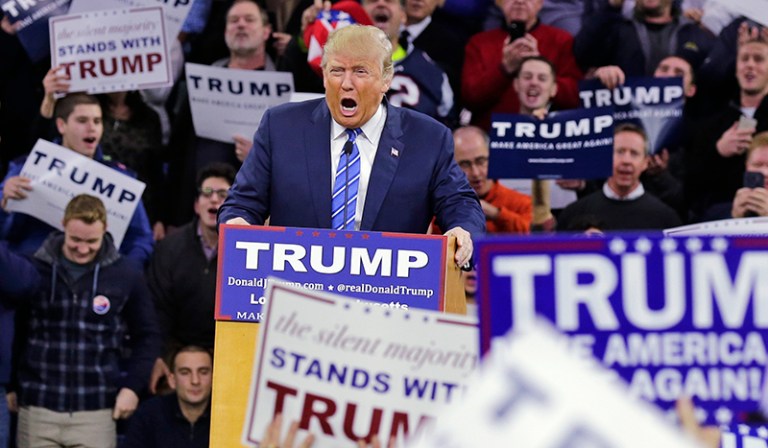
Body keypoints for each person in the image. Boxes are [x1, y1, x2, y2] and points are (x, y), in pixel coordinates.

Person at [219, 24, 484, 267]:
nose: (346, 83)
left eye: (360, 71)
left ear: (386, 79)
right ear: (324, 77)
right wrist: (237, 224)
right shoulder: (280, 127)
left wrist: (462, 230)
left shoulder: (427, 138)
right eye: (336, 71)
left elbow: (459, 202)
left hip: (387, 292)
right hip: (295, 288)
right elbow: (242, 203)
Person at [0, 194, 160, 448]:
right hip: (37, 408)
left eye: (91, 241)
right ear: (63, 224)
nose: (82, 249)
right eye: (75, 239)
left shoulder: (126, 273)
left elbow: (148, 335)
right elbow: (15, 328)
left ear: (106, 229)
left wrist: (132, 387)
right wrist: (10, 385)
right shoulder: (33, 266)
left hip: (96, 412)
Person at [0, 93, 154, 265]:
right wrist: (4, 206)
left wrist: (126, 270)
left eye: (97, 121)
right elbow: (5, 234)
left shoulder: (119, 180)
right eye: (82, 121)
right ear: (61, 125)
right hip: (34, 268)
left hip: (97, 273)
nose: (92, 128)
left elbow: (140, 239)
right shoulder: (26, 169)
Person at [167, 0, 282, 227]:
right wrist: (169, 217)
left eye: (249, 20)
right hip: (198, 215)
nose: (241, 25)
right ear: (225, 31)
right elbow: (179, 150)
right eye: (233, 20)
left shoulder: (284, 83)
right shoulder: (202, 81)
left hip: (256, 217)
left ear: (267, 31)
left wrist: (258, 158)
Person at [147, 163, 236, 393]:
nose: (214, 200)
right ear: (197, 204)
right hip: (177, 352)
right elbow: (158, 310)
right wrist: (163, 356)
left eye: (223, 194)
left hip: (228, 355)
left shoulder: (248, 250)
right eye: (207, 193)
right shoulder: (169, 248)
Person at [462, 0, 583, 130]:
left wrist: (538, 65)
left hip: (547, 131)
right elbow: (470, 99)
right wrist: (504, 70)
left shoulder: (561, 40)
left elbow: (575, 96)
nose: (519, 1)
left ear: (540, 3)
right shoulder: (479, 43)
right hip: (492, 133)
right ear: (498, 2)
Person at [685, 35, 768, 222]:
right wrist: (718, 151)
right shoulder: (712, 125)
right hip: (723, 219)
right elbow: (692, 187)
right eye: (744, 59)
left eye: (759, 59)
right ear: (736, 68)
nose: (750, 65)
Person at [557, 123, 682, 230]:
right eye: (620, 151)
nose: (626, 160)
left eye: (634, 153)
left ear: (645, 162)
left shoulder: (666, 218)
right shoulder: (574, 214)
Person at [363, 0, 456, 126]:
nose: (381, 3)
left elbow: (447, 125)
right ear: (360, 11)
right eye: (372, 0)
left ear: (403, 15)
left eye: (389, 0)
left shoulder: (433, 74)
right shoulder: (338, 63)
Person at [574, 0, 713, 78]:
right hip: (625, 116)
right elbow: (582, 56)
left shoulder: (693, 33)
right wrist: (611, 7)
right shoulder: (615, 28)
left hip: (681, 119)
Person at [122, 346, 213, 448]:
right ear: (172, 380)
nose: (195, 381)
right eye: (185, 373)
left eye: (203, 372)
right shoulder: (148, 415)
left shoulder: (225, 416)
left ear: (214, 378)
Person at [453, 126, 532, 233]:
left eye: (481, 161)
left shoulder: (522, 204)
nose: (476, 173)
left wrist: (497, 214)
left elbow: (537, 237)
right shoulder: (441, 208)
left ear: (493, 158)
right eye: (465, 164)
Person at [731, 132, 768, 218]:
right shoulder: (718, 211)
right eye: (757, 165)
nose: (765, 173)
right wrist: (735, 219)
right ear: (747, 166)